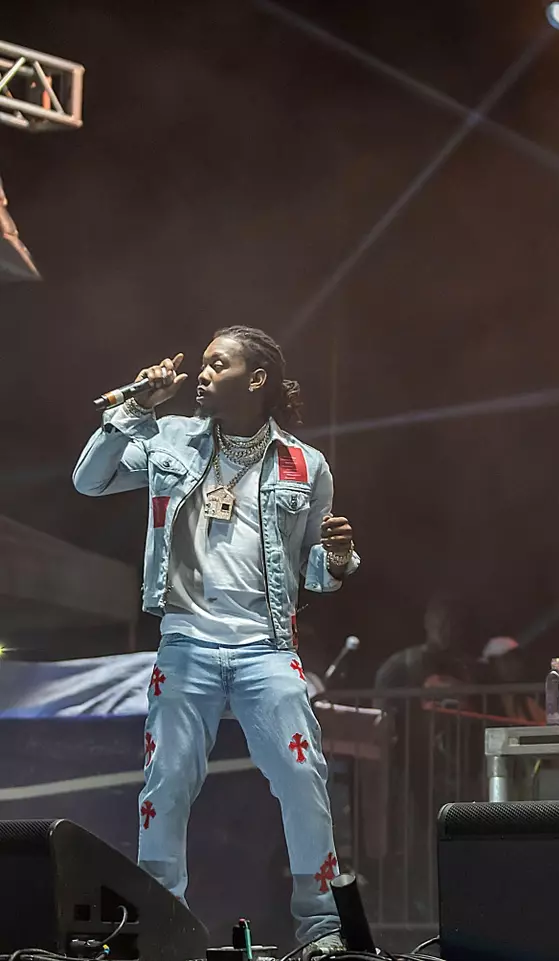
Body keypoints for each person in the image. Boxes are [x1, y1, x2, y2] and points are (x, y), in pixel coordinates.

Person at [73, 326, 359, 957]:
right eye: (202, 364)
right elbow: (88, 481)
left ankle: (321, 928)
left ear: (256, 380)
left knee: (302, 773)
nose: (201, 373)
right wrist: (137, 406)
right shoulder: (170, 436)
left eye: (216, 364)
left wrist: (337, 558)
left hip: (266, 645)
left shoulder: (305, 465)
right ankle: (160, 924)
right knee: (167, 779)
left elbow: (313, 574)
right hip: (186, 641)